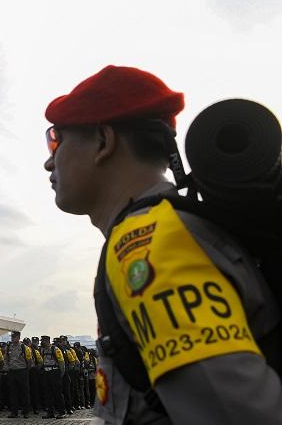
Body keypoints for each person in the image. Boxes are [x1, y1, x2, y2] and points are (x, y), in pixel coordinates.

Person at [43, 65, 282, 424]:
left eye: (56, 139)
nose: (49, 160)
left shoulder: (150, 244)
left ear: (104, 142)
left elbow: (237, 413)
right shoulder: (174, 228)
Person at [4, 331, 31, 418]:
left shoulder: (24, 347)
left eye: (14, 337)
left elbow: (29, 361)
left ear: (19, 337)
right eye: (12, 337)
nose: (12, 338)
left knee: (24, 393)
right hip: (12, 372)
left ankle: (26, 412)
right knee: (13, 393)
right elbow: (6, 359)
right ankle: (14, 412)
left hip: (22, 372)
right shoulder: (8, 347)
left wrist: (26, 370)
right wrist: (8, 368)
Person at [41, 336, 65, 419]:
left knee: (57, 393)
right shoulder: (43, 350)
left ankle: (61, 412)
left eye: (43, 341)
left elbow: (61, 362)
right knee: (48, 394)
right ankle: (50, 412)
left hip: (54, 372)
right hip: (46, 373)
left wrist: (61, 373)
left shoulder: (55, 349)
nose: (42, 342)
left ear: (47, 341)